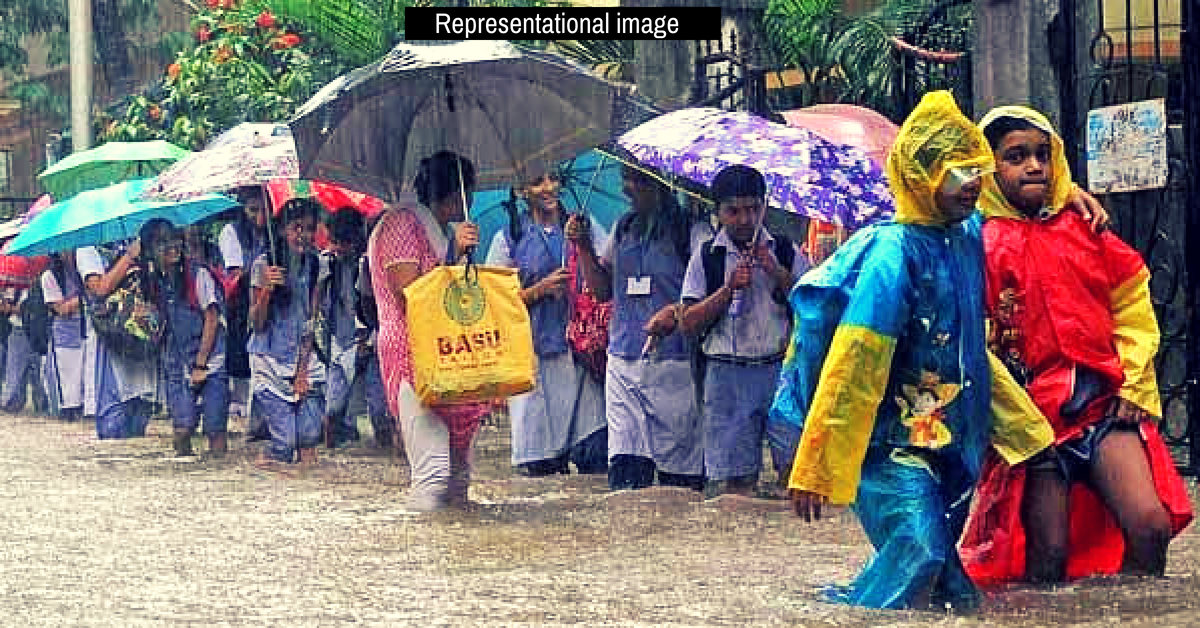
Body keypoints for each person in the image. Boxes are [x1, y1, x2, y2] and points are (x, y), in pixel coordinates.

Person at [771, 91, 1055, 611]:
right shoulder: (891, 254)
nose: (972, 183)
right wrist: (815, 467)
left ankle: (843, 607)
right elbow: (853, 365)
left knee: (951, 593)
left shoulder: (964, 232)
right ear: (922, 176)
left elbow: (1031, 188)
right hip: (890, 447)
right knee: (921, 555)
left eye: (974, 169)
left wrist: (1074, 194)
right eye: (956, 172)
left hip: (951, 445)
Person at [958, 106, 1193, 584]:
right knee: (1046, 557)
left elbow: (1131, 302)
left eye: (1043, 155)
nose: (1033, 167)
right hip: (1033, 422)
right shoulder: (975, 242)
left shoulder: (1083, 227)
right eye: (1016, 156)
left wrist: (1134, 383)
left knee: (1149, 527)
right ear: (989, 168)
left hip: (1101, 406)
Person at [567, 163, 706, 492]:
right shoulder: (623, 228)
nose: (628, 187)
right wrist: (583, 247)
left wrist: (675, 313)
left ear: (661, 183)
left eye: (639, 180)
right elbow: (602, 290)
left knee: (679, 475)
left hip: (674, 364)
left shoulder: (692, 231)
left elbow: (704, 295)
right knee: (626, 469)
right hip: (623, 359)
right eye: (626, 178)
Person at [369, 151, 489, 511]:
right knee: (434, 472)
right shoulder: (401, 224)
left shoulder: (439, 231)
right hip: (410, 355)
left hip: (447, 354)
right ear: (456, 192)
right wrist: (452, 252)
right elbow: (410, 296)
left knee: (458, 476)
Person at [679, 165, 807, 497]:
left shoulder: (784, 250)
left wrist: (776, 272)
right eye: (733, 211)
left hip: (781, 372)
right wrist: (727, 290)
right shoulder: (706, 257)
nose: (744, 219)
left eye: (752, 209)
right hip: (726, 375)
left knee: (796, 476)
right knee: (735, 489)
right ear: (718, 212)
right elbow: (688, 321)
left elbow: (814, 306)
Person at [485, 173, 609, 476]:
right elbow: (492, 305)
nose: (548, 187)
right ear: (521, 189)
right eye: (538, 181)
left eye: (553, 179)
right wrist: (539, 290)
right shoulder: (508, 238)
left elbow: (608, 279)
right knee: (541, 468)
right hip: (533, 362)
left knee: (593, 456)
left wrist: (582, 247)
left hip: (580, 357)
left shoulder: (586, 227)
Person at [141, 219, 229, 458]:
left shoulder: (197, 274)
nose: (172, 245)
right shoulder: (153, 281)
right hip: (177, 362)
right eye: (162, 242)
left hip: (210, 360)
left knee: (215, 428)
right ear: (149, 250)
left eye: (174, 238)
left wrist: (201, 364)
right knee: (182, 429)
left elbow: (212, 319)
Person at [249, 198, 327, 468]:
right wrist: (268, 289)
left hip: (303, 359)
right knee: (285, 444)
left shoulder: (317, 265)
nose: (302, 235)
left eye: (308, 228)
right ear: (281, 230)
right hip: (269, 361)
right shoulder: (263, 264)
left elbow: (310, 322)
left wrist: (302, 372)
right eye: (295, 228)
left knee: (308, 441)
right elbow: (256, 324)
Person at [318, 207, 392, 450]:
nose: (337, 248)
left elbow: (374, 308)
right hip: (341, 342)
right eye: (334, 242)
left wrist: (367, 340)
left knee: (380, 408)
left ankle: (386, 448)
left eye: (342, 243)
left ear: (356, 240)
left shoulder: (370, 265)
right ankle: (330, 449)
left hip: (371, 342)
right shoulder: (329, 265)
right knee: (332, 407)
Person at [79, 240, 157, 439]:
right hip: (110, 331)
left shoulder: (131, 239)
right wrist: (129, 257)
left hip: (140, 330)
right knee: (113, 421)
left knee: (142, 399)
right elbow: (99, 288)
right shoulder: (87, 247)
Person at [219, 186, 269, 431]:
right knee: (241, 363)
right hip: (239, 306)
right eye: (252, 210)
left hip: (269, 305)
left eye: (263, 210)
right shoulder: (231, 232)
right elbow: (234, 275)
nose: (259, 217)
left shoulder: (274, 233)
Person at [40, 253, 86, 421]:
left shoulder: (83, 270)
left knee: (82, 374)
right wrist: (87, 295)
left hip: (85, 332)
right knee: (67, 377)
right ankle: (67, 411)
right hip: (64, 335)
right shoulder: (50, 276)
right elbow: (61, 309)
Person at [0, 285, 48, 414]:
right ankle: (12, 403)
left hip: (39, 330)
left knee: (40, 374)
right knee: (15, 374)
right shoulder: (12, 282)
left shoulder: (42, 280)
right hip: (18, 328)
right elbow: (5, 308)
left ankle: (42, 406)